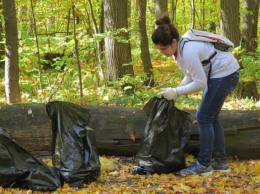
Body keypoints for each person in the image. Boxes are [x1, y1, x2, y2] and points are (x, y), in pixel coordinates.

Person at [152, 14, 240, 176]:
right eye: (159, 49)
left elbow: (200, 83)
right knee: (211, 117)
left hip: (225, 73)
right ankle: (221, 162)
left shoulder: (188, 51)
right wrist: (176, 91)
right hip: (218, 75)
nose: (162, 52)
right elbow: (190, 75)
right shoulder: (178, 50)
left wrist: (176, 92)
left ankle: (204, 165)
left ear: (173, 42)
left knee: (204, 117)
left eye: (164, 49)